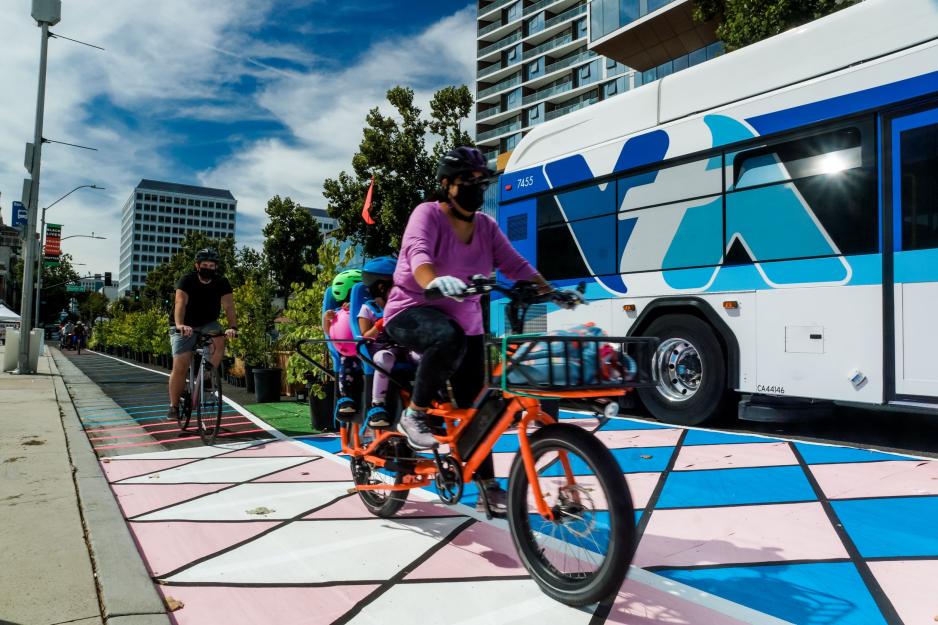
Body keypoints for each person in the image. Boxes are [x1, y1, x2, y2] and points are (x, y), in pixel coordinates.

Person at [382, 146, 573, 513]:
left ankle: (487, 484)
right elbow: (417, 255)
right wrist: (435, 281)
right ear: (445, 185)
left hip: (466, 322)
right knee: (445, 337)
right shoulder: (426, 215)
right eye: (465, 181)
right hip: (411, 309)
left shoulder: (486, 227)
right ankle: (414, 414)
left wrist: (552, 291)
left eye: (479, 181)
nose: (475, 187)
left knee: (478, 405)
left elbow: (514, 263)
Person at [167, 248, 237, 421]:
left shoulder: (221, 282)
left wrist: (232, 327)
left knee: (219, 339)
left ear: (215, 267)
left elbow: (229, 306)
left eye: (211, 265)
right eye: (204, 265)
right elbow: (180, 303)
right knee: (181, 365)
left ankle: (206, 376)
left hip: (208, 323)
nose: (208, 268)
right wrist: (180, 325)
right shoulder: (187, 280)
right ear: (197, 266)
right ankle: (174, 406)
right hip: (185, 324)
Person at [357, 256, 410, 429]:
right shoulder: (368, 308)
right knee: (384, 358)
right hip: (380, 350)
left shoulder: (402, 306)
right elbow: (365, 335)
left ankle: (431, 397)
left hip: (403, 348)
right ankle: (377, 405)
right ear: (381, 287)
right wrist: (380, 324)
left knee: (425, 355)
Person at [323, 269, 363, 421]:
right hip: (349, 352)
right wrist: (327, 319)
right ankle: (346, 398)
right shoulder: (338, 312)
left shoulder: (368, 308)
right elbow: (329, 333)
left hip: (369, 350)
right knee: (346, 364)